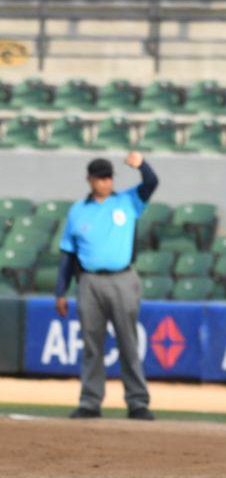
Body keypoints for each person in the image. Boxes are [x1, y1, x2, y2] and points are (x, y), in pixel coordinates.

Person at [55, 152, 159, 421]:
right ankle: (90, 401)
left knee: (128, 341)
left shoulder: (127, 201)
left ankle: (137, 402)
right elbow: (68, 253)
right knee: (92, 344)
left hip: (122, 279)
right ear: (90, 180)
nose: (106, 181)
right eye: (101, 177)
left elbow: (151, 183)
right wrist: (60, 291)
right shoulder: (78, 210)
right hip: (89, 280)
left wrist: (142, 165)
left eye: (109, 176)